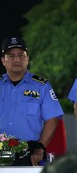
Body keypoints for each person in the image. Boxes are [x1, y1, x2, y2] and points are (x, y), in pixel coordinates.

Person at [0, 37, 63, 165]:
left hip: (30, 153)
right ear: (3, 61)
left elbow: (53, 119)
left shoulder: (41, 86)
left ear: (27, 59)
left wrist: (40, 148)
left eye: (21, 55)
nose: (16, 59)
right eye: (11, 56)